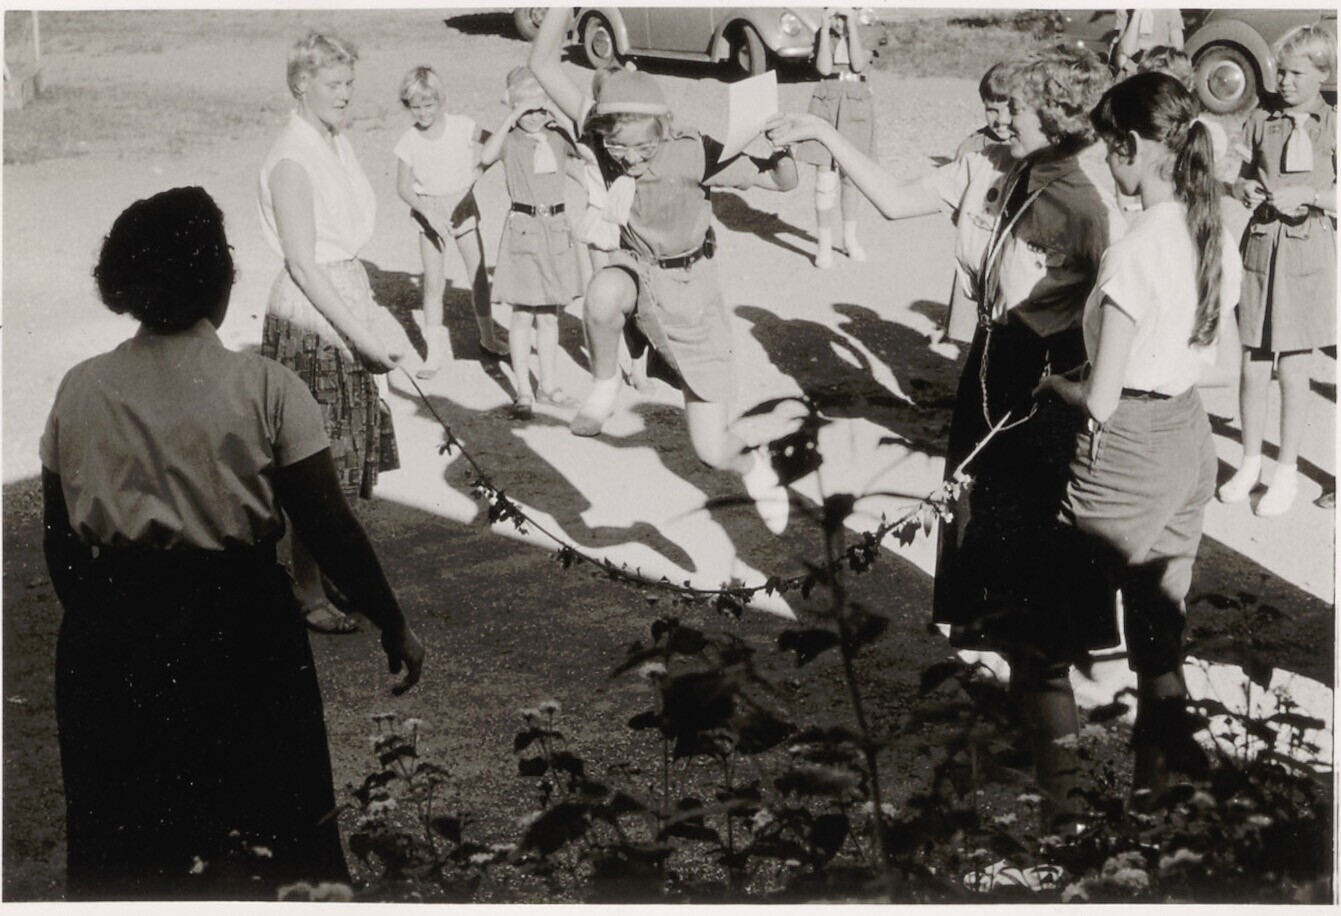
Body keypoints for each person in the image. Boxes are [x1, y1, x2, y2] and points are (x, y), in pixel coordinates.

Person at [769, 44, 1124, 826]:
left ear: (1055, 118)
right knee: (987, 557)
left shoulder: (1078, 204)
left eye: (1011, 109)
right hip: (990, 369)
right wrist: (823, 136)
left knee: (1029, 577)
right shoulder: (998, 167)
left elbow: (1089, 320)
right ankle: (1032, 735)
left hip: (1035, 389)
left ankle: (1062, 791)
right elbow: (897, 202)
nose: (995, 120)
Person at [41, 187, 424, 900]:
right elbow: (328, 526)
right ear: (221, 280)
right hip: (239, 625)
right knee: (266, 828)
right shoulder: (266, 387)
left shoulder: (79, 388)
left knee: (131, 840)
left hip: (111, 634)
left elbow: (60, 539)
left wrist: (105, 616)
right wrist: (391, 621)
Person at [1034, 72, 1242, 800]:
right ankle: (1154, 802)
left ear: (1128, 146)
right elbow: (1221, 367)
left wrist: (1054, 387)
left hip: (1128, 452)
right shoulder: (1211, 230)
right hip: (1188, 437)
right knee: (1158, 637)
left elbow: (1099, 399)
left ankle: (1063, 821)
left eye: (1106, 148)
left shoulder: (1133, 249)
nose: (1104, 162)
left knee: (1041, 646)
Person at [529, 8, 798, 534]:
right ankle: (605, 383)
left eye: (642, 146)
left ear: (665, 128)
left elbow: (783, 182)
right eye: (617, 146)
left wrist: (779, 142)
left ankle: (755, 468)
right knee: (602, 291)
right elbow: (542, 64)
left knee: (711, 449)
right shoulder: (605, 139)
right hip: (639, 277)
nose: (628, 157)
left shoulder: (693, 153)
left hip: (693, 297)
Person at [258, 31, 402, 633]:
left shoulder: (334, 141)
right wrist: (361, 336)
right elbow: (303, 262)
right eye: (333, 84)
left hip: (344, 295)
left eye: (350, 83)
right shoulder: (293, 157)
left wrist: (369, 317)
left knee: (338, 453)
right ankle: (308, 589)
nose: (345, 94)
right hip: (313, 314)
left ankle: (325, 570)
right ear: (301, 84)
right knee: (314, 457)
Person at [1217, 24, 1336, 516]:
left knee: (1294, 365)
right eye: (1281, 72)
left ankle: (1285, 470)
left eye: (1295, 74)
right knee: (1253, 361)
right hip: (1262, 246)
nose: (1283, 81)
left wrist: (1311, 195)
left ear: (1323, 74)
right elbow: (1234, 172)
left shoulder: (1333, 125)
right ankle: (1250, 463)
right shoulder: (1261, 119)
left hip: (1308, 251)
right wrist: (1240, 188)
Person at [478, 66, 585, 420]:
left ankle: (548, 386)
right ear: (514, 108)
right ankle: (523, 389)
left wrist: (559, 116)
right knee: (522, 314)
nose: (535, 117)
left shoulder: (557, 138)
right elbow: (485, 156)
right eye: (528, 110)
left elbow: (585, 151)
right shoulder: (510, 141)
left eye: (541, 109)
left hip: (555, 229)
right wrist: (511, 118)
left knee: (550, 316)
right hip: (523, 230)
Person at [393, 65, 507, 379]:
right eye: (415, 107)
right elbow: (402, 188)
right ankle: (433, 354)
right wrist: (428, 213)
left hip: (462, 205)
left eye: (428, 105)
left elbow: (497, 144)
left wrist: (477, 173)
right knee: (433, 283)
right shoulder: (409, 140)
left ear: (440, 100)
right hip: (428, 211)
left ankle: (488, 338)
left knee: (478, 275)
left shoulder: (461, 126)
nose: (423, 113)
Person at [797, 7, 875, 269]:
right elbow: (823, 68)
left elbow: (858, 64)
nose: (839, 23)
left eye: (844, 15)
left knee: (850, 176)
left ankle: (849, 240)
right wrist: (823, 26)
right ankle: (823, 243)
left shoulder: (868, 31)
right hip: (826, 103)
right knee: (824, 177)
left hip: (855, 103)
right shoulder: (823, 34)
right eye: (835, 16)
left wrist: (852, 25)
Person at [941, 62, 1012, 348]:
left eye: (1009, 108)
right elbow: (955, 205)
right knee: (970, 335)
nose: (1001, 120)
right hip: (978, 253)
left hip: (1012, 257)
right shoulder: (972, 148)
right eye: (991, 109)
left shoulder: (1033, 146)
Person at [1111, 8, 1184, 77]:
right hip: (1135, 63)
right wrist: (1137, 13)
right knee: (1122, 59)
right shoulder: (1125, 10)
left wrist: (1141, 45)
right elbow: (1125, 51)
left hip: (1159, 62)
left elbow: (1178, 48)